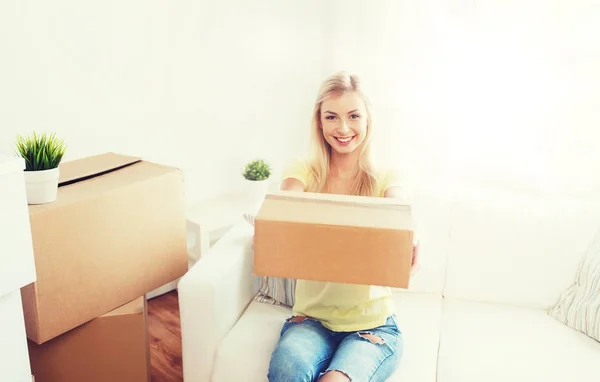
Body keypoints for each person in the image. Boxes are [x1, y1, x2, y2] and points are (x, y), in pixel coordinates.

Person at [267, 71, 420, 382]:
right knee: (287, 372)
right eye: (332, 117)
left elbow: (398, 208)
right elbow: (286, 205)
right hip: (310, 320)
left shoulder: (385, 177)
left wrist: (410, 230)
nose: (344, 128)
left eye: (354, 116)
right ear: (320, 122)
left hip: (373, 326)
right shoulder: (303, 170)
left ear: (367, 121)